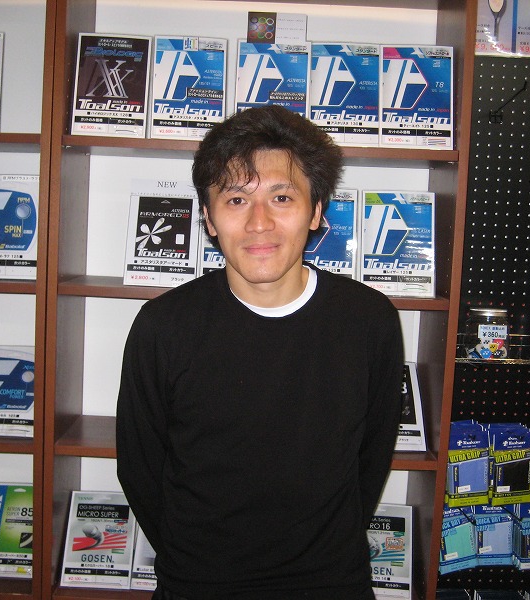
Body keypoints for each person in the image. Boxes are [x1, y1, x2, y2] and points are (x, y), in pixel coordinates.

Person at [116, 104, 404, 600]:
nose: (259, 222)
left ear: (316, 211)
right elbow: (140, 467)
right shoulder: (163, 327)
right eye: (236, 199)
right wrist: (197, 566)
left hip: (330, 583)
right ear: (208, 218)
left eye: (282, 197)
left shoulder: (369, 321)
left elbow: (371, 458)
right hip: (198, 586)